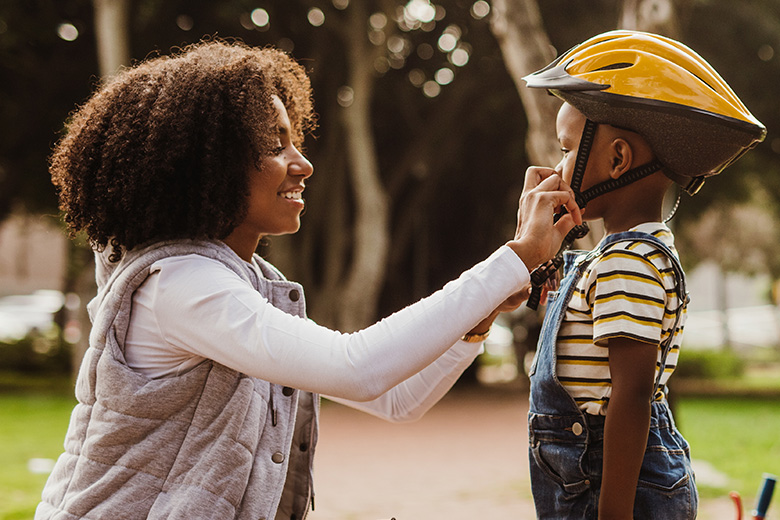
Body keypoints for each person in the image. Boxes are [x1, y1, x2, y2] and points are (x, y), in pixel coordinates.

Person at [36, 40, 582, 520]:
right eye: (276, 146)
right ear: (208, 165)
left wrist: (479, 316)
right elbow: (358, 368)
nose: (303, 164)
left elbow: (396, 400)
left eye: (295, 140)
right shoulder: (178, 285)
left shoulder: (250, 283)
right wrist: (516, 256)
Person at [522, 30, 766, 519]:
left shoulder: (627, 262)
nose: (557, 167)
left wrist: (615, 513)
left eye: (567, 150)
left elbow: (630, 397)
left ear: (618, 160)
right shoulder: (611, 257)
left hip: (611, 493)